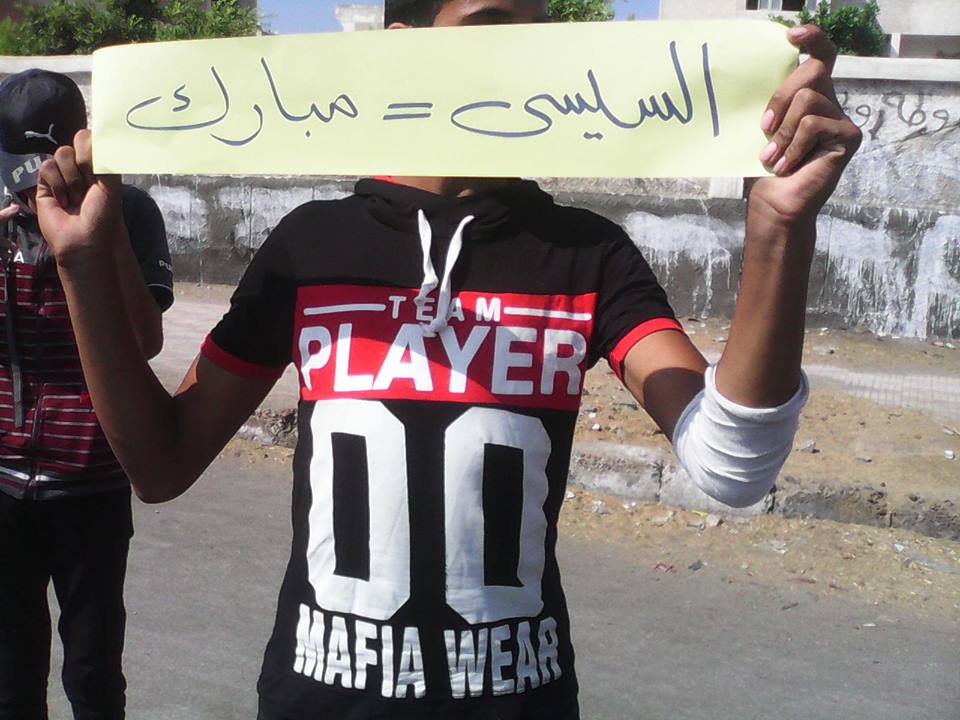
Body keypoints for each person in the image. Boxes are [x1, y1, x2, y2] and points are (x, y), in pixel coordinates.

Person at [35, 1, 861, 717]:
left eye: (539, 33)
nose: (523, 58)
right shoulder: (311, 247)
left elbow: (731, 465)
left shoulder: (587, 257)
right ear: (406, 50)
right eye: (490, 27)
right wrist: (80, 264)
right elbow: (161, 463)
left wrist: (779, 229)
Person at [0, 70, 173, 720]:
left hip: (92, 481)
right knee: (10, 677)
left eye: (46, 169)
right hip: (3, 483)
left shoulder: (129, 212)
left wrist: (100, 235)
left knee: (94, 675)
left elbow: (145, 339)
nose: (32, 188)